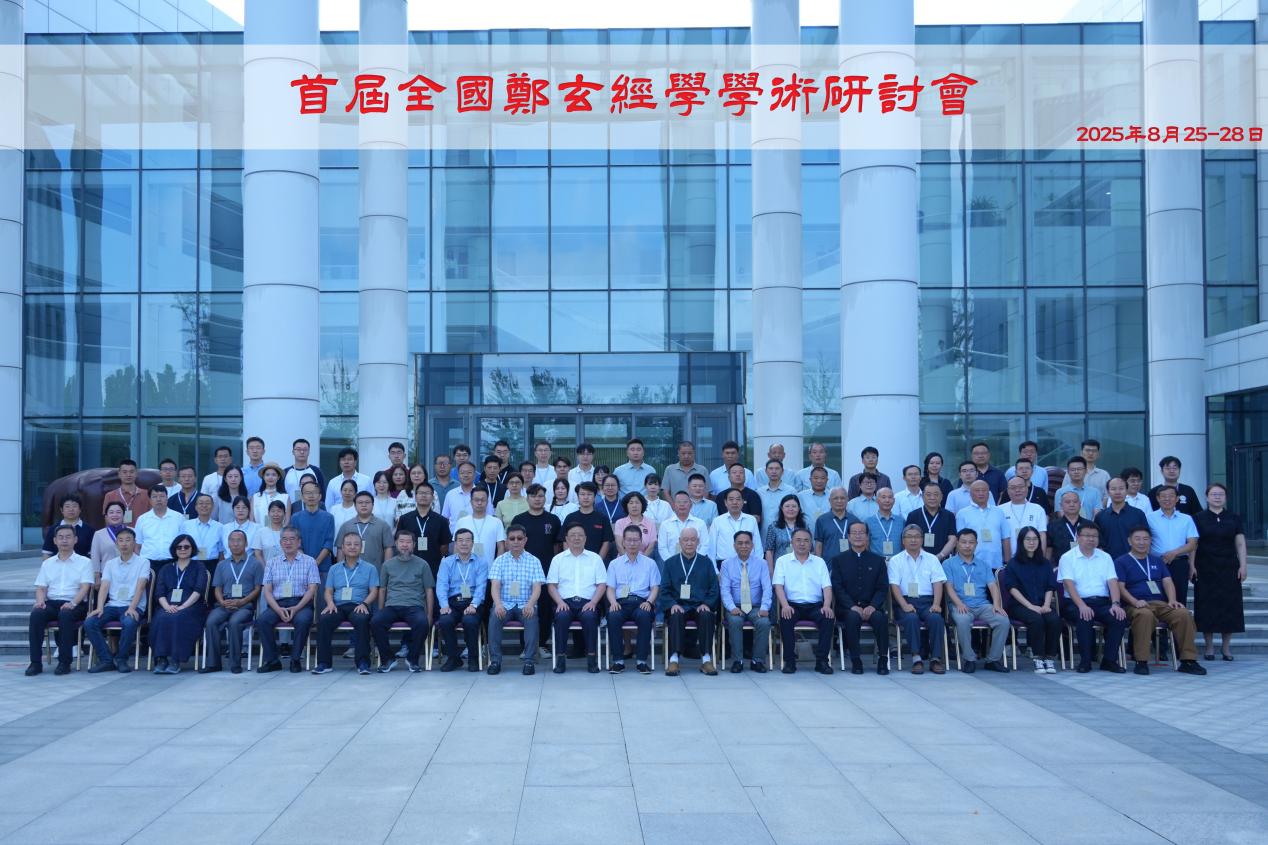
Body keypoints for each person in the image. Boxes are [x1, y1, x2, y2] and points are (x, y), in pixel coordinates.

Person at [1114, 526, 1206, 676]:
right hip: (1134, 605)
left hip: (1160, 603)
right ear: (1129, 541)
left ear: (1151, 541)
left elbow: (1167, 581)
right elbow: (1120, 587)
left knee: (1183, 614)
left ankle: (1188, 660)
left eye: (1145, 539)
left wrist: (1172, 600)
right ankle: (1141, 661)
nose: (1142, 542)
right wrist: (1135, 601)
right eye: (1137, 539)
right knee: (1145, 615)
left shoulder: (1157, 560)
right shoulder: (1121, 561)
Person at [1058, 523, 1127, 673]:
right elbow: (1069, 585)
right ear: (1078, 537)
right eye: (1087, 536)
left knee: (1118, 617)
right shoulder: (1067, 557)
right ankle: (1085, 661)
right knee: (1084, 616)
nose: (1091, 539)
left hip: (1101, 602)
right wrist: (1082, 605)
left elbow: (1113, 582)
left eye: (1094, 536)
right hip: (1075, 603)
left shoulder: (1105, 557)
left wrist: (1116, 604)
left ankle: (1109, 660)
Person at [26, 525, 94, 676]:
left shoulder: (85, 562)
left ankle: (64, 662)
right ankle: (35, 663)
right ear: (55, 541)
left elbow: (85, 588)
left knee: (66, 614)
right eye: (61, 537)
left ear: (75, 540)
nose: (64, 540)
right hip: (52, 603)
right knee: (36, 614)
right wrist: (40, 601)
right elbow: (41, 587)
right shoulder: (47, 563)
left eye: (68, 537)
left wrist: (72, 603)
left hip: (76, 603)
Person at [942, 529, 1011, 673]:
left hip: (982, 605)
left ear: (976, 544)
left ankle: (992, 660)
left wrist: (996, 604)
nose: (967, 545)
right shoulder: (948, 564)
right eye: (964, 542)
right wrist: (959, 603)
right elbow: (948, 588)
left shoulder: (983, 564)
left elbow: (993, 586)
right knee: (963, 621)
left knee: (1003, 620)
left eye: (971, 542)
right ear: (957, 544)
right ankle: (969, 659)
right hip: (960, 604)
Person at [254, 527, 321, 674]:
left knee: (303, 621)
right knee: (262, 621)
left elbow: (312, 589)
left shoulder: (309, 561)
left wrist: (297, 608)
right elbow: (267, 591)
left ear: (299, 542)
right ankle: (272, 660)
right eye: (284, 539)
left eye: (292, 539)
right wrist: (278, 609)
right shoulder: (272, 562)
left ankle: (295, 659)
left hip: (301, 603)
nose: (288, 542)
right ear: (280, 542)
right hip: (278, 604)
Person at [312, 532, 380, 675]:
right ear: (342, 547)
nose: (352, 547)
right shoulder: (334, 568)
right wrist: (330, 603)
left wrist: (365, 604)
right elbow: (328, 591)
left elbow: (374, 591)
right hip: (337, 606)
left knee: (362, 620)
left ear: (361, 547)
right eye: (348, 544)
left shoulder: (370, 568)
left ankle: (363, 663)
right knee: (324, 620)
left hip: (358, 605)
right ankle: (324, 663)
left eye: (356, 544)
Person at [83, 527, 150, 673]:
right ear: (116, 544)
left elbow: (140, 587)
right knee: (90, 622)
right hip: (112, 605)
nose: (124, 544)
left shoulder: (143, 562)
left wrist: (132, 607)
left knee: (129, 622)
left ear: (134, 543)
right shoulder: (110, 564)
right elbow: (104, 587)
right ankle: (106, 660)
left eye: (128, 540)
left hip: (133, 605)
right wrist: (100, 607)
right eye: (121, 540)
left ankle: (121, 659)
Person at [1193, 483, 1247, 661]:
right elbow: (1193, 544)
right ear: (1207, 497)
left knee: (1229, 606)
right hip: (1205, 567)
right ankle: (1209, 647)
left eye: (1221, 494)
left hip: (1229, 567)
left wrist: (1243, 565)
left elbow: (1240, 543)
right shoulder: (1198, 518)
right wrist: (1191, 565)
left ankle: (1226, 648)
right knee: (1206, 606)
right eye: (1214, 494)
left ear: (1226, 497)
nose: (1217, 497)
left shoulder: (1234, 518)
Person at [828, 522, 890, 675]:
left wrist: (873, 606)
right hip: (847, 608)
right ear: (848, 537)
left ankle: (883, 659)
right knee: (852, 617)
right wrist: (852, 606)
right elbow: (837, 587)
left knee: (880, 618)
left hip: (872, 606)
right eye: (854, 533)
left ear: (867, 536)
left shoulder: (878, 560)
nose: (858, 536)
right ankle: (856, 660)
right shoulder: (838, 560)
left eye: (861, 532)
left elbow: (882, 587)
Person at [198, 529, 262, 675]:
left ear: (246, 543)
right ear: (228, 544)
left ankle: (235, 663)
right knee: (211, 621)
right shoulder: (222, 565)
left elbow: (258, 589)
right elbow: (217, 588)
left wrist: (242, 601)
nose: (235, 544)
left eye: (239, 540)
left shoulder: (255, 564)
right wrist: (222, 601)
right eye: (232, 540)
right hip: (224, 604)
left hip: (244, 605)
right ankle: (213, 663)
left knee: (235, 622)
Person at [772, 528, 835, 675]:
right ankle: (789, 661)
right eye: (798, 540)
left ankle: (822, 661)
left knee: (827, 617)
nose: (802, 544)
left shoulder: (819, 562)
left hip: (815, 605)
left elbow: (827, 587)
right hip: (792, 605)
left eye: (806, 540)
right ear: (792, 542)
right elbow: (778, 586)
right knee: (786, 618)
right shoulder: (782, 561)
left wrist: (827, 605)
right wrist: (785, 605)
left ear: (811, 543)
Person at [371, 529, 435, 673]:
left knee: (422, 623)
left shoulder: (423, 564)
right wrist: (381, 610)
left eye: (408, 542)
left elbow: (428, 590)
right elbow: (382, 589)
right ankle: (388, 659)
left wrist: (429, 615)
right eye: (401, 541)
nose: (405, 545)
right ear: (396, 544)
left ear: (414, 544)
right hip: (392, 605)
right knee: (376, 621)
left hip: (414, 606)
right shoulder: (387, 565)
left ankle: (412, 659)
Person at [658, 527, 720, 676]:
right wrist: (672, 604)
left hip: (700, 605)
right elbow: (664, 589)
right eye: (686, 540)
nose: (689, 543)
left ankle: (706, 659)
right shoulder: (670, 563)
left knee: (707, 615)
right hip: (679, 605)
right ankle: (674, 659)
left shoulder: (706, 562)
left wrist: (707, 604)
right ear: (680, 542)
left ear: (698, 542)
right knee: (675, 615)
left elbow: (714, 588)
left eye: (693, 540)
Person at [546, 524, 607, 673]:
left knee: (590, 617)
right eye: (573, 535)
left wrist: (593, 602)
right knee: (561, 617)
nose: (576, 538)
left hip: (588, 602)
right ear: (566, 539)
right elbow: (551, 585)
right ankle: (560, 660)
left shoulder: (595, 558)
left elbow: (602, 584)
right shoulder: (558, 559)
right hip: (564, 602)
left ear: (585, 538)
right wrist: (559, 602)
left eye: (580, 535)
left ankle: (592, 660)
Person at [888, 525, 948, 675]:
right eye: (909, 537)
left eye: (916, 536)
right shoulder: (895, 560)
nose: (913, 540)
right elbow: (894, 586)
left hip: (927, 601)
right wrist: (904, 605)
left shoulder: (932, 559)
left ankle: (935, 658)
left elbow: (938, 583)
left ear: (922, 539)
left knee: (936, 619)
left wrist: (936, 604)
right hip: (905, 601)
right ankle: (916, 658)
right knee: (911, 618)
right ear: (903, 541)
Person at [486, 525, 544, 676]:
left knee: (531, 617)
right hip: (504, 604)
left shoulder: (534, 561)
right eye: (512, 539)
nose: (516, 541)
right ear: (506, 541)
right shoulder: (499, 561)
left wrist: (531, 604)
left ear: (525, 540)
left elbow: (537, 587)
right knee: (494, 617)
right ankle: (495, 661)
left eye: (519, 538)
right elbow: (495, 585)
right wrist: (498, 604)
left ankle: (529, 661)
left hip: (526, 603)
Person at [1001, 526, 1060, 674]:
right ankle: (1038, 657)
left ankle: (1049, 657)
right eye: (1028, 539)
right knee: (1036, 619)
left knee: (1054, 619)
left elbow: (1050, 586)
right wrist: (1030, 606)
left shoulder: (1045, 563)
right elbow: (1012, 588)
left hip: (1042, 604)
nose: (1031, 542)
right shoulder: (1013, 563)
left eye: (1035, 539)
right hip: (1019, 605)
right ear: (1021, 541)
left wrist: (1046, 605)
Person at [149, 534, 208, 674]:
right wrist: (167, 607)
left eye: (186, 547)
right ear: (174, 549)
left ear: (192, 548)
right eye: (179, 547)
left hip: (191, 606)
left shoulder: (199, 566)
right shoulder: (166, 568)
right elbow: (159, 593)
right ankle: (162, 659)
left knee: (178, 617)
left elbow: (198, 590)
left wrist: (182, 606)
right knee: (161, 617)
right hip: (167, 605)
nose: (182, 549)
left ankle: (175, 660)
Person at [605, 525, 660, 674]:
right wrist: (613, 602)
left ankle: (641, 661)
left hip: (641, 602)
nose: (632, 543)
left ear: (641, 542)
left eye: (635, 540)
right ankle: (618, 661)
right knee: (613, 616)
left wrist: (649, 602)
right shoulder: (614, 564)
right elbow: (610, 588)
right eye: (629, 540)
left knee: (645, 616)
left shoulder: (650, 563)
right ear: (623, 542)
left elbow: (655, 587)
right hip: (621, 603)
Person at [434, 528, 488, 672]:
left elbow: (481, 587)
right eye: (460, 540)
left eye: (468, 540)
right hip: (453, 602)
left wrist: (474, 605)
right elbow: (441, 586)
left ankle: (473, 658)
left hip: (472, 602)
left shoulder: (481, 562)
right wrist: (444, 605)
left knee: (470, 621)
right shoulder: (446, 562)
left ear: (473, 543)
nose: (464, 543)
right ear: (455, 543)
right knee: (445, 621)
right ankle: (453, 658)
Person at [719, 530, 772, 673]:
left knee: (764, 622)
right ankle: (738, 660)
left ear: (752, 545)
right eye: (740, 543)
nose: (744, 546)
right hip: (735, 606)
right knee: (735, 621)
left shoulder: (762, 563)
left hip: (756, 607)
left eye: (747, 543)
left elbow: (767, 588)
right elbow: (725, 590)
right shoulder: (726, 564)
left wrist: (765, 607)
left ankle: (757, 661)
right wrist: (731, 607)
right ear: (734, 545)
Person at [1147, 486, 1199, 606]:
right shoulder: (1149, 518)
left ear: (1177, 499)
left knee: (1179, 598)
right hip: (1157, 563)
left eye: (1171, 496)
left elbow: (1192, 544)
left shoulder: (1186, 519)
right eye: (1164, 496)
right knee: (1158, 598)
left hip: (1179, 564)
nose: (1167, 499)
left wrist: (1174, 553)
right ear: (1158, 499)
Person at [954, 480, 1010, 571]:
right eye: (977, 490)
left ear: (989, 493)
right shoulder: (962, 513)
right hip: (971, 564)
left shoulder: (999, 512)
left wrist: (1007, 562)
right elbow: (959, 540)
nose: (981, 493)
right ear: (971, 494)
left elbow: (1006, 537)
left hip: (995, 563)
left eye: (984, 490)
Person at [134, 485, 184, 578]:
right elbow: (137, 547)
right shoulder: (142, 519)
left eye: (162, 496)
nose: (158, 499)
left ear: (167, 498)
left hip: (172, 562)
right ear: (150, 500)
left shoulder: (178, 518)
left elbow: (184, 543)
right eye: (155, 496)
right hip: (148, 564)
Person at [336, 491, 394, 570]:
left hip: (376, 571)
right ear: (355, 506)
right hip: (350, 572)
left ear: (373, 505)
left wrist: (386, 571)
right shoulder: (346, 526)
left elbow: (388, 548)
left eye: (367, 502)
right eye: (360, 502)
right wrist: (341, 570)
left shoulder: (383, 525)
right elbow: (340, 549)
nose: (364, 505)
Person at [1094, 477, 1149, 560]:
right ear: (1108, 492)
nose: (1117, 492)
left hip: (1134, 560)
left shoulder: (1138, 514)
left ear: (1127, 491)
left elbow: (1146, 537)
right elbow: (1098, 542)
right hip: (1108, 561)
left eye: (1121, 488)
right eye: (1113, 489)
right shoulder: (1100, 516)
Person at [561, 481, 615, 560]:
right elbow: (565, 541)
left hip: (595, 561)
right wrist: (571, 559)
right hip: (573, 560)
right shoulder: (570, 518)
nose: (586, 497)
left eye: (589, 494)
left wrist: (598, 561)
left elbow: (606, 542)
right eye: (582, 494)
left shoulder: (603, 518)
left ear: (594, 497)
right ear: (578, 497)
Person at [291, 482, 335, 576]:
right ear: (302, 497)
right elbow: (295, 542)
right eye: (307, 493)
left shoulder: (329, 518)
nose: (311, 496)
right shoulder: (295, 518)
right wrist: (306, 563)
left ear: (320, 496)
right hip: (301, 566)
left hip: (323, 567)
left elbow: (328, 543)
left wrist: (316, 562)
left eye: (314, 492)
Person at [905, 483, 957, 562]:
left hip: (943, 560)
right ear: (922, 497)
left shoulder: (949, 515)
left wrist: (940, 556)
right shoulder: (913, 515)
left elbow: (953, 539)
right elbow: (908, 538)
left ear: (941, 497)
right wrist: (925, 556)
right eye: (928, 495)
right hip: (918, 559)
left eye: (936, 494)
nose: (932, 498)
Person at [710, 489, 763, 562]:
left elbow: (757, 545)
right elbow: (711, 547)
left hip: (749, 562)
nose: (735, 502)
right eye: (731, 499)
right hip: (723, 563)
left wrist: (758, 564)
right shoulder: (717, 521)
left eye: (738, 499)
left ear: (743, 502)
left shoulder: (751, 520)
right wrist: (714, 567)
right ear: (725, 502)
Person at [1000, 476, 1048, 557]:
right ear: (1007, 491)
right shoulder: (1000, 510)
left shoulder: (1038, 509)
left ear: (1026, 488)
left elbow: (1042, 535)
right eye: (1013, 488)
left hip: (1033, 557)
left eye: (1020, 487)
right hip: (1008, 558)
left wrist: (1041, 558)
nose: (1017, 490)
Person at [659, 491, 711, 561]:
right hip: (672, 562)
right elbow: (662, 548)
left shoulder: (700, 523)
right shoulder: (665, 525)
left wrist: (695, 560)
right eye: (679, 502)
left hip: (695, 562)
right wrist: (672, 562)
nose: (682, 505)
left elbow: (705, 545)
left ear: (691, 505)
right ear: (674, 505)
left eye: (685, 502)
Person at [184, 493, 225, 581]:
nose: (204, 506)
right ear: (196, 507)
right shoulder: (186, 525)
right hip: (191, 564)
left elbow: (221, 551)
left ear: (212, 507)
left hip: (212, 565)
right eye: (201, 503)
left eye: (207, 503)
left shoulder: (220, 527)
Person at [41, 494, 94, 559]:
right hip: (58, 564)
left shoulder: (89, 530)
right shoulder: (53, 529)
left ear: (80, 510)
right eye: (67, 506)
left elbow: (92, 554)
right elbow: (47, 553)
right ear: (61, 510)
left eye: (74, 506)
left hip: (82, 565)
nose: (71, 509)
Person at [1048, 491, 1094, 563]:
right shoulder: (1052, 526)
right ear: (1061, 505)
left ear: (1080, 504)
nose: (1072, 504)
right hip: (1061, 566)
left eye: (1075, 502)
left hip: (1087, 565)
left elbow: (1098, 548)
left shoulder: (1090, 525)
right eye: (1068, 502)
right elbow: (1048, 550)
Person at [765, 494, 808, 570]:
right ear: (782, 508)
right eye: (787, 506)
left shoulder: (804, 526)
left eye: (794, 506)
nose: (790, 509)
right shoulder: (774, 527)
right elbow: (769, 551)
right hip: (780, 568)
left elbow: (809, 549)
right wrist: (771, 571)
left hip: (800, 567)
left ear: (799, 508)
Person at [102, 458, 150, 526]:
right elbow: (107, 521)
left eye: (131, 472)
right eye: (124, 472)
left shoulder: (147, 494)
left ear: (136, 474)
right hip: (118, 532)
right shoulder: (110, 496)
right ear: (119, 474)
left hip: (141, 532)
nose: (128, 475)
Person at [614, 491, 658, 558]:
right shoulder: (620, 523)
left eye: (637, 503)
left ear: (642, 505)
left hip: (644, 559)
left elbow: (651, 546)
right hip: (623, 559)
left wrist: (641, 561)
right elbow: (619, 546)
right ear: (626, 506)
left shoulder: (650, 523)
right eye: (631, 503)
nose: (634, 506)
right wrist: (628, 561)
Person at [757, 458, 797, 529]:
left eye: (777, 468)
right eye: (771, 468)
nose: (774, 471)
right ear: (766, 471)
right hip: (764, 532)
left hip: (785, 532)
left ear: (782, 471)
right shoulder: (759, 492)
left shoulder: (791, 491)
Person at [91, 502, 128, 578]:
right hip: (107, 575)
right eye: (111, 512)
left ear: (124, 515)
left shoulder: (132, 532)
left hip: (129, 573)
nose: (115, 515)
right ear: (106, 516)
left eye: (118, 512)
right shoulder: (98, 534)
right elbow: (95, 557)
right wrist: (97, 576)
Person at [283, 438, 325, 503]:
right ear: (293, 452)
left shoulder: (316, 471)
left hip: (312, 507)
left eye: (305, 449)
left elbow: (322, 493)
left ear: (309, 452)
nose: (302, 452)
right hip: (289, 508)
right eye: (298, 449)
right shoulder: (285, 472)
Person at [864, 489, 901, 558]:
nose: (887, 500)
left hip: (897, 561)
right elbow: (865, 545)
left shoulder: (901, 521)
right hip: (876, 561)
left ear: (894, 501)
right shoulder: (868, 522)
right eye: (883, 497)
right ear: (877, 500)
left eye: (890, 497)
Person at [440, 461, 477, 529]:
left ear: (475, 475)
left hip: (477, 534)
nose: (466, 475)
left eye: (469, 472)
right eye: (462, 473)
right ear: (458, 475)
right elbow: (444, 518)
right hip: (454, 534)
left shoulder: (482, 494)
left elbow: (489, 515)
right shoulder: (450, 494)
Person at [256, 500, 288, 566]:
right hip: (267, 569)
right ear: (268, 513)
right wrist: (266, 569)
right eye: (273, 511)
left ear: (284, 514)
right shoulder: (261, 532)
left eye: (279, 511)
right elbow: (257, 554)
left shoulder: (289, 532)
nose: (276, 514)